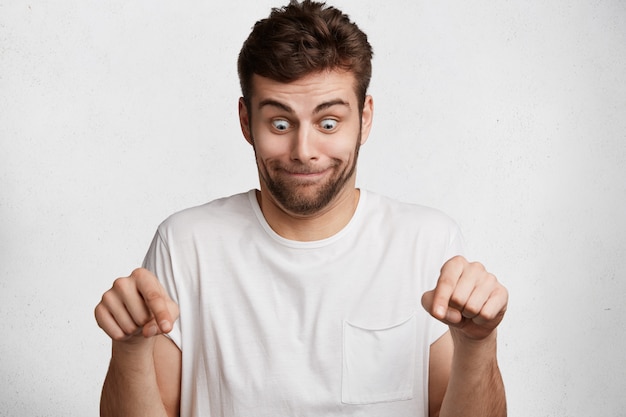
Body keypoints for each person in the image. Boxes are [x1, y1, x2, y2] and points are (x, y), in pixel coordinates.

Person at [94, 1, 509, 416]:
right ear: (245, 121)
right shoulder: (186, 244)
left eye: (328, 122)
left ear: (364, 119)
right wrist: (129, 349)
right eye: (279, 123)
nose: (303, 151)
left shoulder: (426, 242)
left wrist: (477, 345)